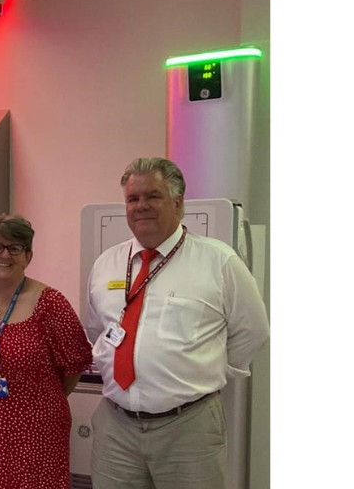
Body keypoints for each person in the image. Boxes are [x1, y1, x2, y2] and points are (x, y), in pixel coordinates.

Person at [84, 157, 269, 489]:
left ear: (178, 202)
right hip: (116, 426)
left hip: (188, 430)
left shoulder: (219, 261)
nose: (141, 206)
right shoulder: (106, 264)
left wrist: (205, 374)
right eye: (133, 199)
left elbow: (252, 330)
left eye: (152, 196)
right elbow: (97, 328)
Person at [0, 214, 92, 489]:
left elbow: (75, 364)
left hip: (36, 430)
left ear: (28, 256)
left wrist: (37, 398)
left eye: (14, 248)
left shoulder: (51, 303)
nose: (5, 255)